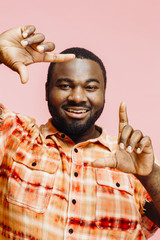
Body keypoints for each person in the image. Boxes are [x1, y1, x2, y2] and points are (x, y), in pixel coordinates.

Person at [0, 25, 159, 240]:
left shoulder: (131, 162)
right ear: (46, 91)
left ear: (104, 94)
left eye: (90, 87)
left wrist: (149, 175)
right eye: (65, 85)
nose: (77, 97)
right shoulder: (13, 135)